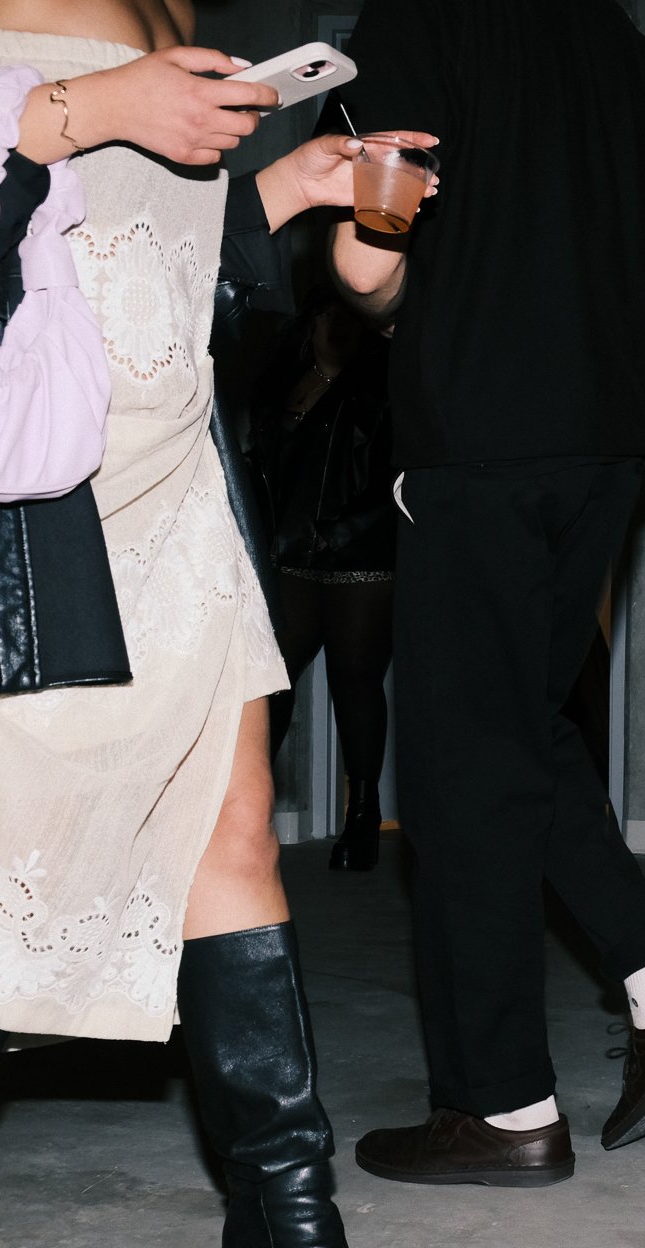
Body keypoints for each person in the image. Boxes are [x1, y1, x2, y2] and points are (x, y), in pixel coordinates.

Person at [0, 1, 444, 1248]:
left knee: (230, 837)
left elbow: (149, 235)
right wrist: (101, 106)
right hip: (19, 479)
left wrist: (293, 182)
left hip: (174, 471)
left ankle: (289, 1231)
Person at [329, 0, 645, 1188]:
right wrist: (564, 315)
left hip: (476, 449)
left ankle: (500, 1106)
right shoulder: (627, 50)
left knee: (462, 775)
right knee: (517, 731)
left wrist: (420, 296)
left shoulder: (418, 31)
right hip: (600, 457)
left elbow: (368, 258)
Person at [250, 296, 399, 872]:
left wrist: (344, 534)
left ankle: (362, 817)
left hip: (360, 555)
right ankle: (247, 805)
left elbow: (397, 472)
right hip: (292, 553)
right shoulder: (291, 381)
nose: (334, 325)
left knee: (355, 683)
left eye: (345, 317)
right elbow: (268, 458)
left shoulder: (383, 381)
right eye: (325, 314)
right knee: (271, 679)